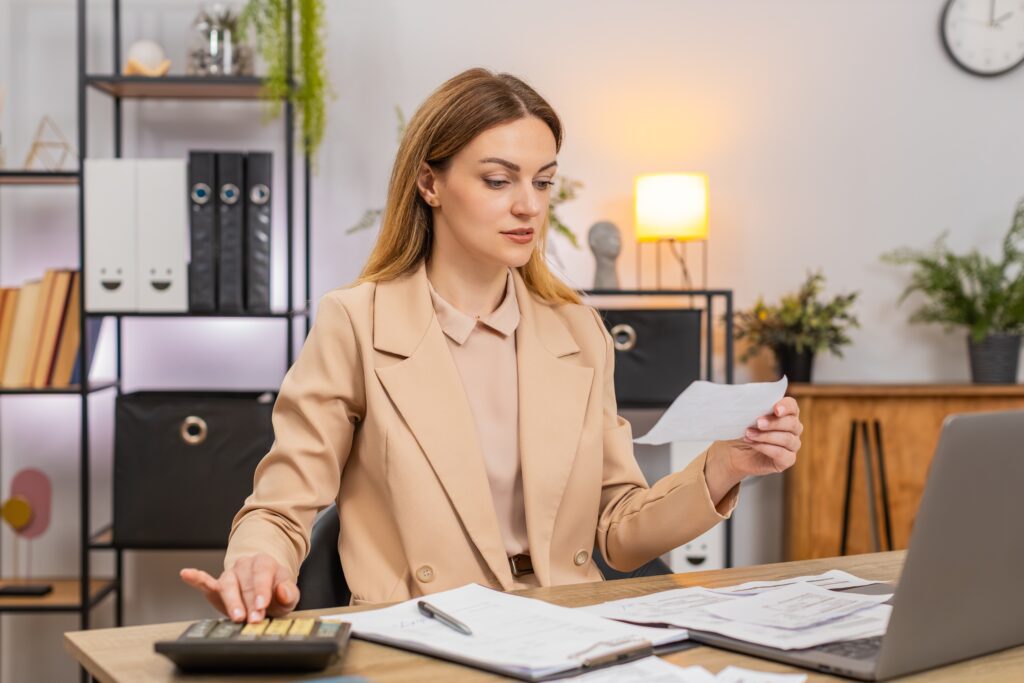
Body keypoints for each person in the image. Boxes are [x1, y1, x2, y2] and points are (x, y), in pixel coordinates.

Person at [180, 68, 802, 624]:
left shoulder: (578, 332)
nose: (528, 206)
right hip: (425, 636)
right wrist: (257, 563)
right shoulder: (356, 322)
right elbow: (282, 504)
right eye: (499, 180)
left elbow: (616, 531)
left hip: (569, 628)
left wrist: (725, 466)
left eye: (544, 181)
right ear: (430, 182)